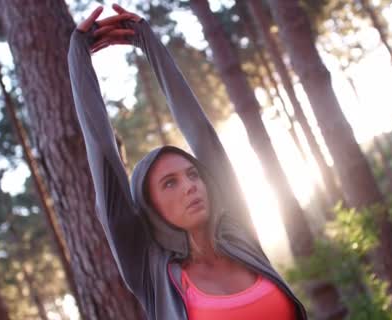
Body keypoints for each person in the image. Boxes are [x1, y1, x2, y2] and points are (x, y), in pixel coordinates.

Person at [67, 4, 307, 320]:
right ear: (149, 206)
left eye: (193, 175)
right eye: (170, 183)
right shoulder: (150, 270)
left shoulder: (239, 236)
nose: (191, 186)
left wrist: (147, 41)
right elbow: (104, 156)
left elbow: (202, 135)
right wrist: (78, 58)